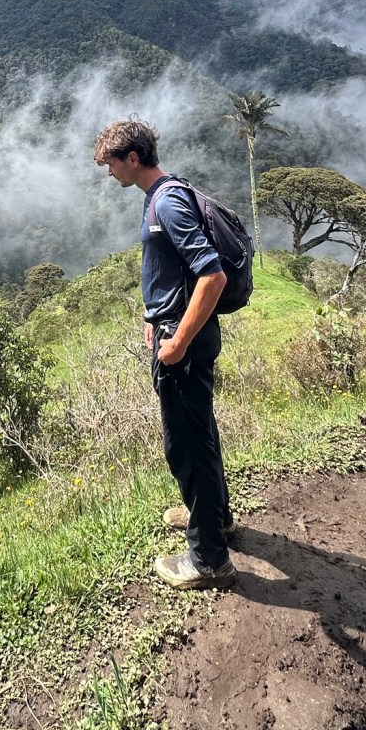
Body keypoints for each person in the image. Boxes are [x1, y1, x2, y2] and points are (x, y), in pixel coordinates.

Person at [93, 118, 237, 591]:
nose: (109, 174)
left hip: (185, 346)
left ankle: (208, 560)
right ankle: (216, 518)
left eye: (111, 164)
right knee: (202, 435)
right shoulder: (164, 195)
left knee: (187, 446)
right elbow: (174, 271)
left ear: (133, 158)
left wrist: (175, 342)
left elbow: (211, 276)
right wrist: (154, 318)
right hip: (179, 333)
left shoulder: (167, 202)